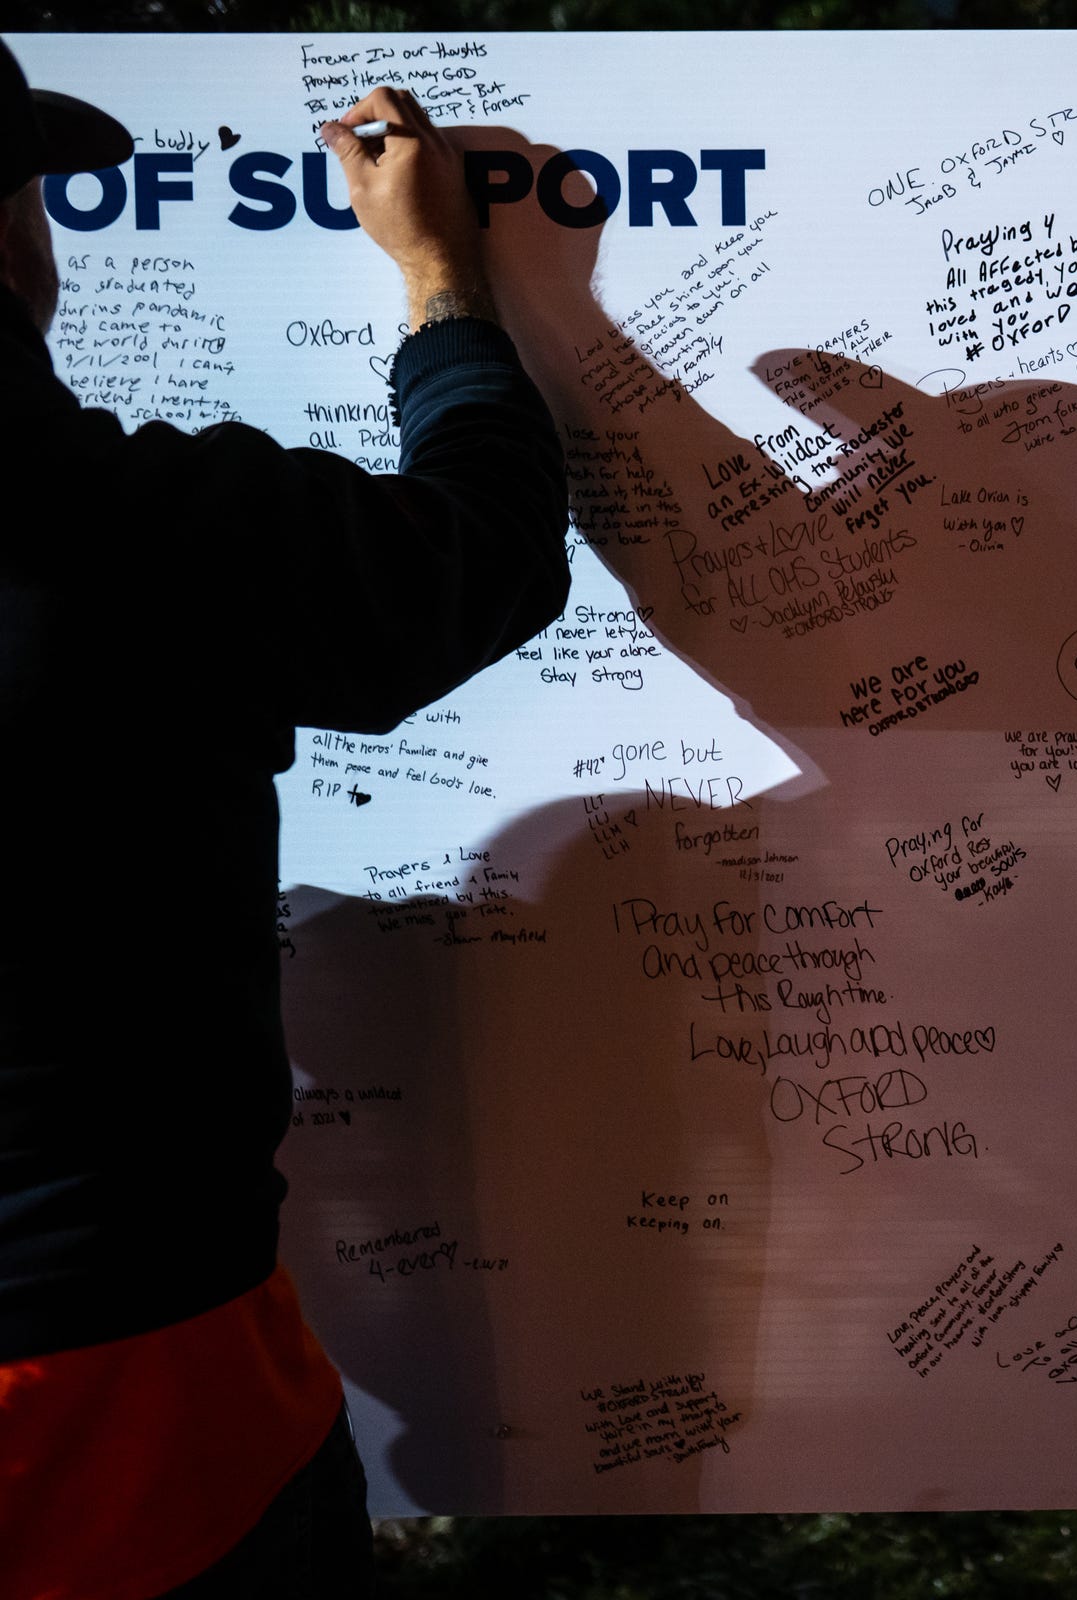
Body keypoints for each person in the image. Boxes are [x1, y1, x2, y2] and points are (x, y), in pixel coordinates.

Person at [0, 45, 568, 1598]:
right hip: (136, 1406)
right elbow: (489, 545)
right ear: (7, 245)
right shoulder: (135, 539)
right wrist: (443, 278)